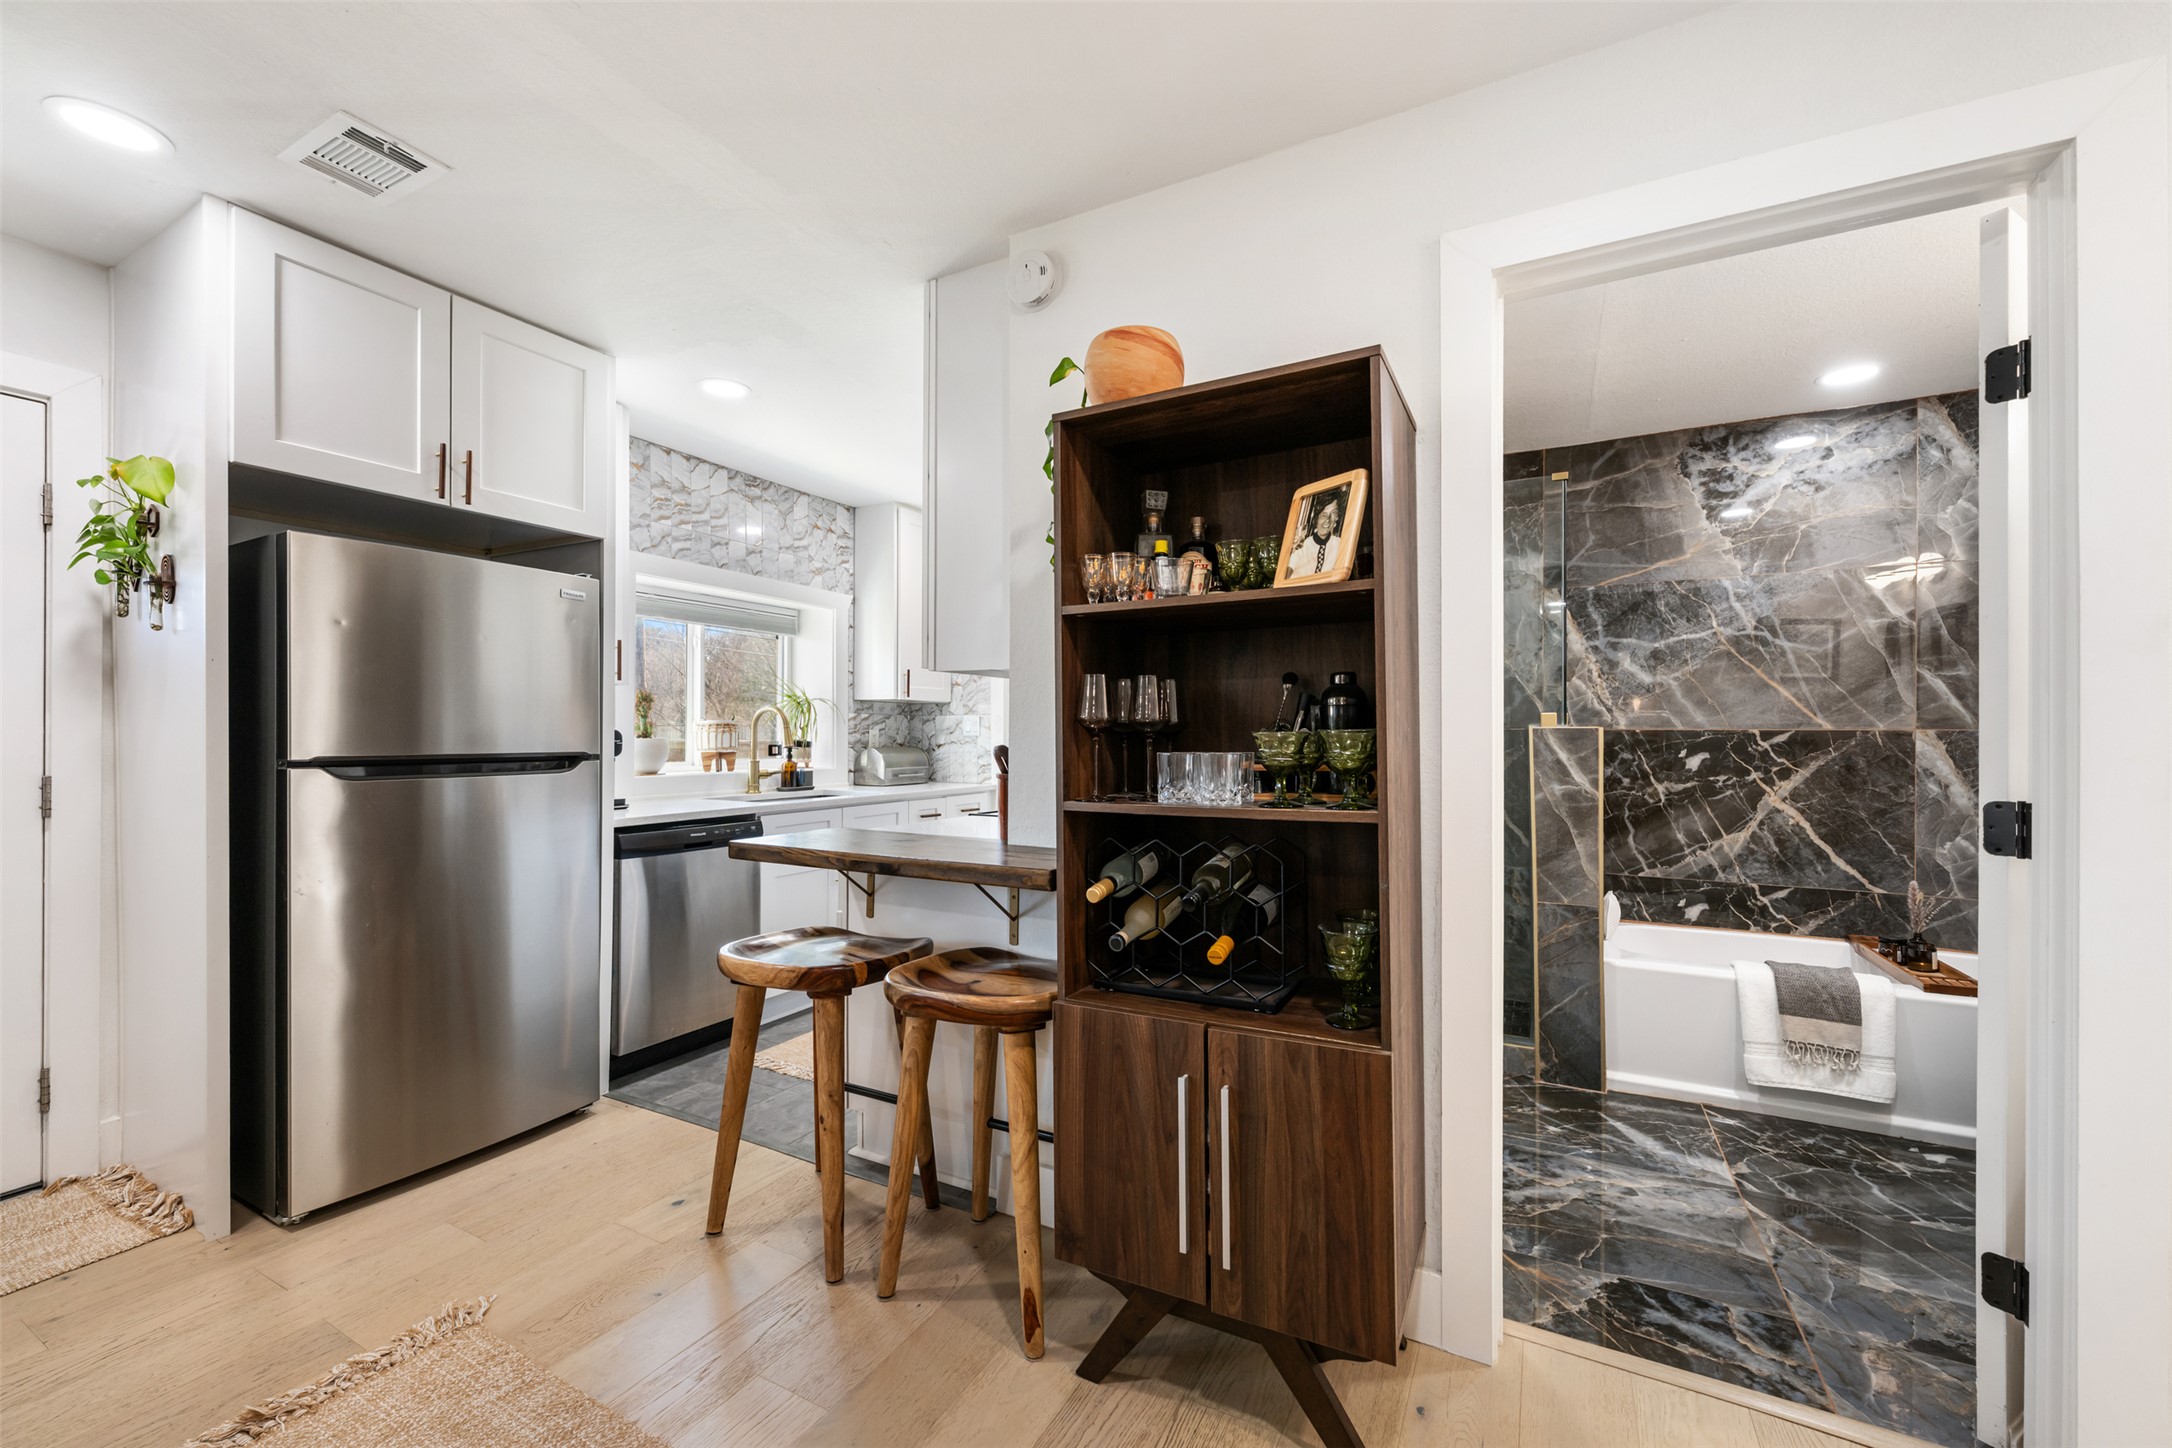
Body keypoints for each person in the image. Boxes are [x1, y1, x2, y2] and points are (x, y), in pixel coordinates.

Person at [1283, 487, 1347, 579]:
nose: (1328, 520)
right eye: (1323, 515)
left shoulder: (1340, 544)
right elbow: (1285, 578)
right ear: (1316, 518)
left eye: (1333, 513)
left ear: (1337, 517)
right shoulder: (1302, 546)